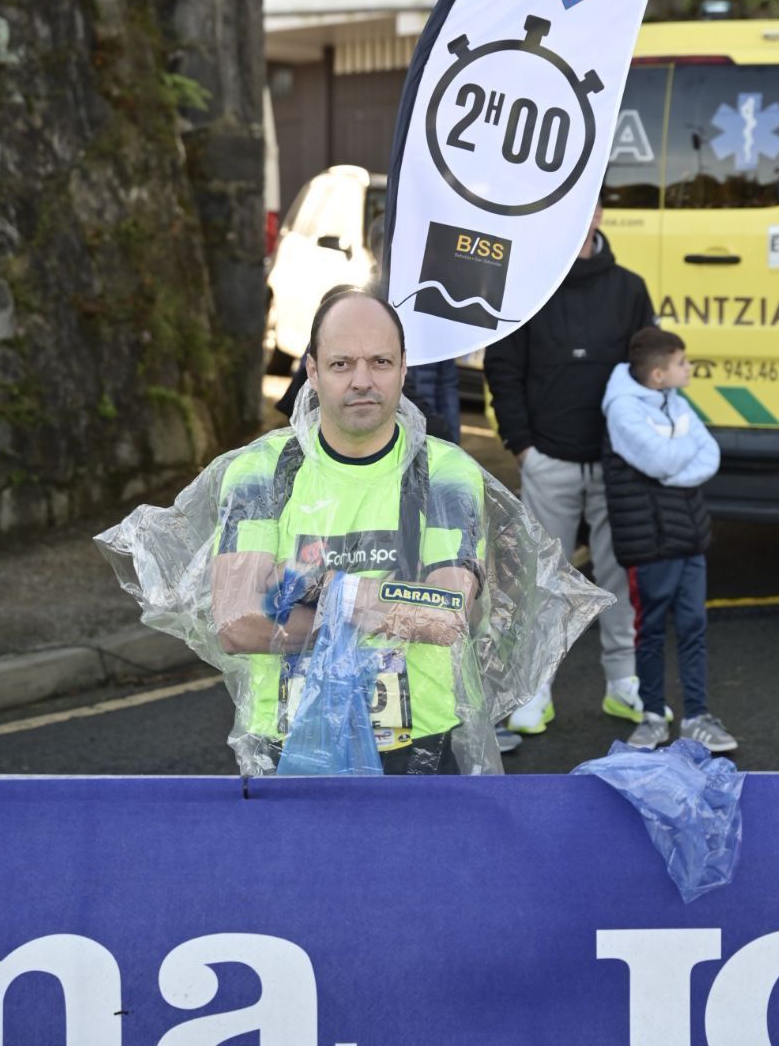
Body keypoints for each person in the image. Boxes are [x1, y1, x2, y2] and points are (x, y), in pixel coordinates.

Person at [98, 288, 612, 777]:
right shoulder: (261, 472)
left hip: (417, 747)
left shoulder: (445, 473)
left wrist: (321, 588)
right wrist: (385, 611)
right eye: (342, 364)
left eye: (380, 362)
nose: (362, 380)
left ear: (404, 370)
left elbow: (444, 617)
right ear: (313, 372)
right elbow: (237, 623)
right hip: (291, 742)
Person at [484, 200, 655, 738]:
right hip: (548, 459)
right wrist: (523, 447)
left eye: (591, 204)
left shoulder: (630, 288)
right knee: (541, 583)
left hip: (615, 465)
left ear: (601, 212)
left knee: (621, 579)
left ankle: (623, 683)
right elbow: (503, 368)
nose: (583, 215)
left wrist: (636, 447)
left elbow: (648, 373)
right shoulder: (529, 287)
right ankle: (536, 691)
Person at [602, 327, 737, 752]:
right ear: (659, 375)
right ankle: (652, 716)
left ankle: (696, 716)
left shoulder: (674, 402)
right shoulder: (623, 411)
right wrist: (678, 458)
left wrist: (671, 467)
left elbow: (709, 452)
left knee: (694, 627)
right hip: (650, 544)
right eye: (682, 362)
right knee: (652, 630)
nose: (690, 368)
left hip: (689, 536)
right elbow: (660, 460)